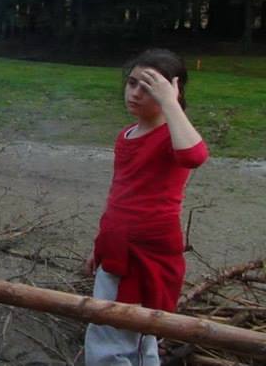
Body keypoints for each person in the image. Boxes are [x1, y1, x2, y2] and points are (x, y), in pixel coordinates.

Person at [84, 49, 208, 366]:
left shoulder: (172, 136)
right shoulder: (126, 135)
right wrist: (100, 246)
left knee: (114, 341)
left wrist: (170, 103)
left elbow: (194, 156)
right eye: (132, 83)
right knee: (121, 336)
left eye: (149, 88)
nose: (135, 93)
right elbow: (120, 196)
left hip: (147, 254)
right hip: (116, 246)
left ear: (171, 92)